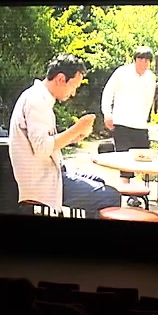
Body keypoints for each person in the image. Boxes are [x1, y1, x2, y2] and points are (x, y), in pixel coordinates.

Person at [8, 54, 122, 217]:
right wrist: (76, 128)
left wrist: (74, 137)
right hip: (42, 182)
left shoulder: (37, 97)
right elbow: (42, 148)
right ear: (61, 79)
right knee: (110, 196)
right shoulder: (36, 101)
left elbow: (45, 143)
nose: (74, 93)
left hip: (50, 174)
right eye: (74, 86)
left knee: (99, 182)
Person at [102, 46, 158, 180]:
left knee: (144, 160)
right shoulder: (122, 73)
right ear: (135, 60)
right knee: (125, 161)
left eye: (147, 60)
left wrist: (147, 120)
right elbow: (108, 92)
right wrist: (107, 113)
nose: (143, 63)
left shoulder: (151, 78)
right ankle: (126, 189)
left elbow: (149, 101)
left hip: (140, 125)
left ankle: (142, 188)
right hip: (122, 122)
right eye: (140, 59)